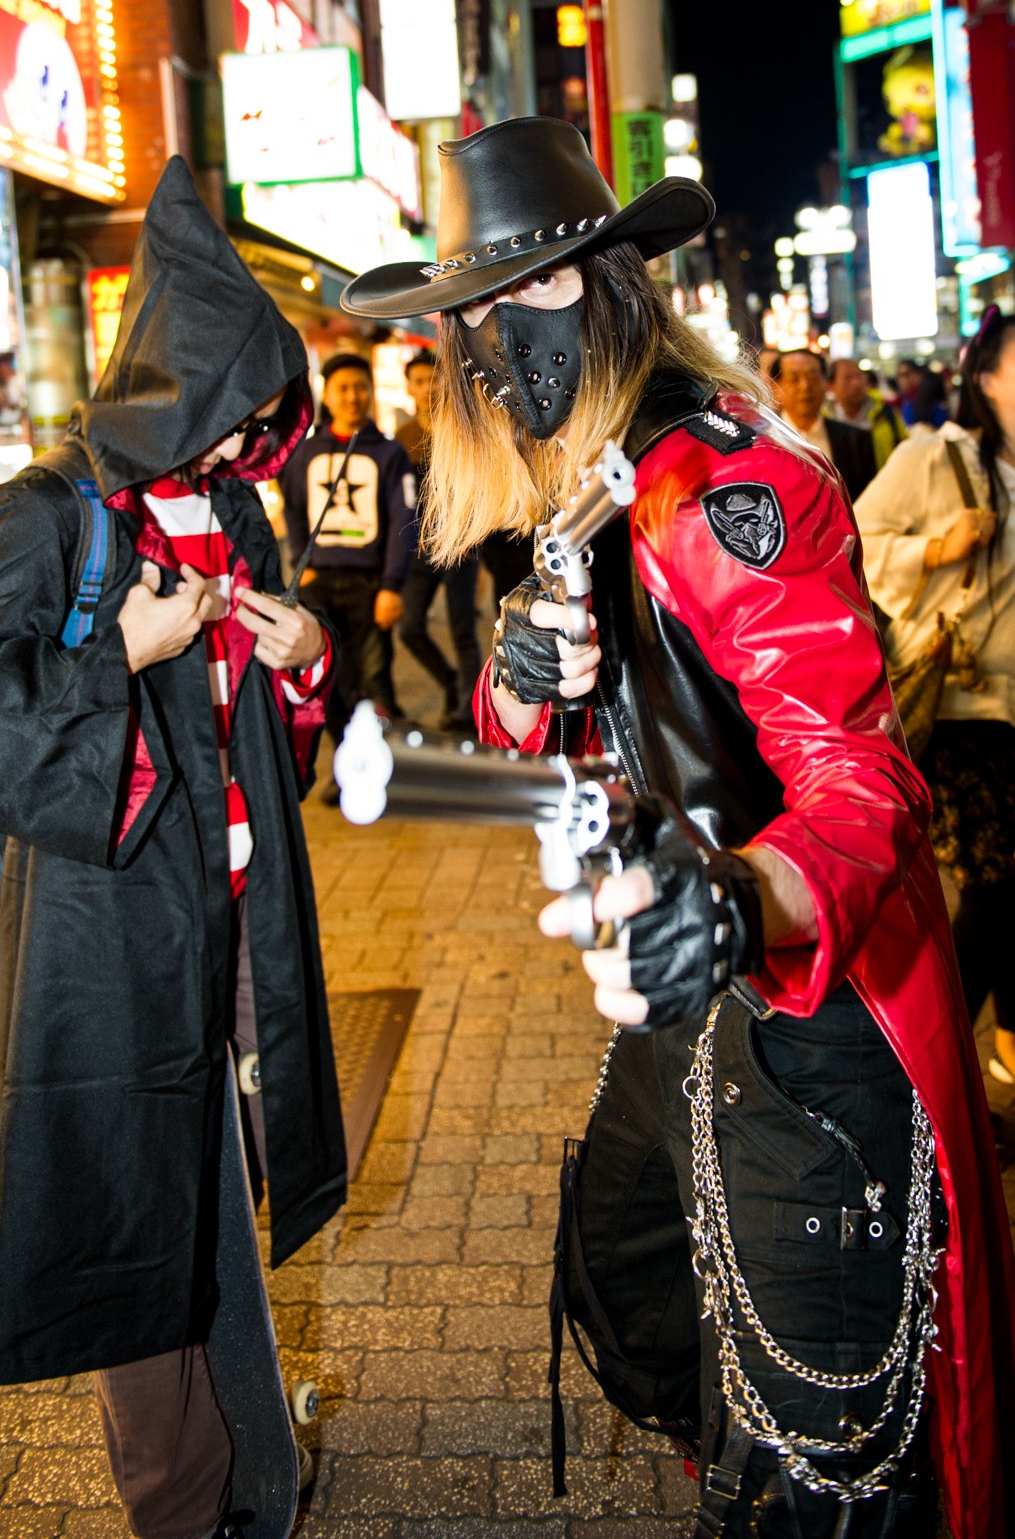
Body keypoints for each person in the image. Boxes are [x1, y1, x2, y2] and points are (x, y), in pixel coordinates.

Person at [341, 116, 1015, 1539]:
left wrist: (740, 896)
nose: (501, 335)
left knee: (828, 1441)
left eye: (543, 286)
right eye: (474, 310)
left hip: (811, 1016)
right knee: (631, 1261)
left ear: (616, 283)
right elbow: (540, 721)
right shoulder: (583, 484)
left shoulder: (728, 490)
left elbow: (861, 779)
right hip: (685, 1000)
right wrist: (522, 681)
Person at [0, 157, 347, 1539]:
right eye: (242, 396)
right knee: (140, 1213)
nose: (260, 429)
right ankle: (182, 1503)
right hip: (112, 936)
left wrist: (307, 651)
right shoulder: (47, 512)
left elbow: (267, 723)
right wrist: (122, 656)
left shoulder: (236, 507)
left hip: (239, 921)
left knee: (222, 1196)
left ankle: (256, 1464)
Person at [854, 304, 1015, 1093]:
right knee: (994, 886)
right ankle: (915, 1078)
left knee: (1009, 887)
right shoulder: (934, 457)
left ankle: (1002, 1050)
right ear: (984, 380)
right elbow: (859, 533)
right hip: (959, 706)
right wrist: (937, 547)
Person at [279, 352, 416, 793]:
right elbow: (294, 513)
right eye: (343, 388)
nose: (353, 396)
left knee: (373, 679)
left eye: (360, 386)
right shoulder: (305, 453)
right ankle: (346, 769)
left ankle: (378, 770)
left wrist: (392, 585)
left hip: (370, 584)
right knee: (330, 683)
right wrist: (305, 568)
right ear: (328, 395)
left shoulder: (391, 453)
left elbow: (402, 520)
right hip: (320, 584)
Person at [396, 349, 482, 730]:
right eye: (418, 381)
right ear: (409, 388)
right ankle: (453, 683)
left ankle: (469, 707)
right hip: (416, 550)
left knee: (464, 629)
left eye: (433, 378)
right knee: (410, 627)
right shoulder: (401, 439)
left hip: (460, 545)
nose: (427, 387)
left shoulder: (461, 429)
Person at [769, 348, 878, 500]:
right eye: (794, 379)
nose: (805, 387)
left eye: (813, 378)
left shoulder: (857, 439)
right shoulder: (763, 444)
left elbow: (869, 499)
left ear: (825, 384)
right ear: (776, 387)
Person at [827, 357, 906, 470]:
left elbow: (904, 451)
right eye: (847, 378)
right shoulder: (825, 419)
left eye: (859, 376)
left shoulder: (886, 413)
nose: (856, 384)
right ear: (830, 386)